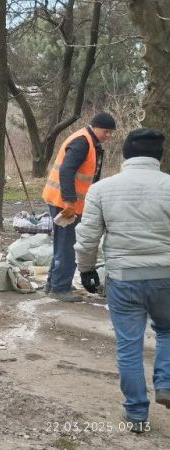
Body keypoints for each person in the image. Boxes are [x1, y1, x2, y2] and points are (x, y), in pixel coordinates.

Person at [75, 128, 170, 433]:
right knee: (168, 331)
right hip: (166, 278)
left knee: (129, 346)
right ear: (159, 156)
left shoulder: (102, 189)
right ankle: (166, 382)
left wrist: (87, 270)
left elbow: (88, 237)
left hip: (124, 278)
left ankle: (136, 414)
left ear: (126, 155)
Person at [41, 112, 116, 302]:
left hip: (64, 201)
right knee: (68, 246)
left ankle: (54, 282)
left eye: (110, 132)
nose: (109, 135)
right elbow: (66, 171)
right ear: (95, 126)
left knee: (62, 244)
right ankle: (60, 287)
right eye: (106, 131)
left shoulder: (89, 142)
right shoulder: (83, 142)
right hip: (65, 203)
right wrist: (70, 203)